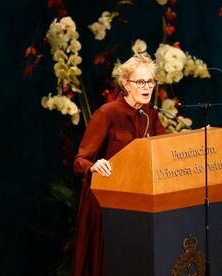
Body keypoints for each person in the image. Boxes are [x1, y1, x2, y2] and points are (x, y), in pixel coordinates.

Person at [72, 52, 166, 276]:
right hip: (106, 203)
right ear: (126, 84)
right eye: (140, 81)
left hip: (138, 203)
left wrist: (198, 140)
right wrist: (93, 166)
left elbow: (166, 150)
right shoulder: (107, 113)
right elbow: (79, 161)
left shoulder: (151, 115)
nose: (147, 87)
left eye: (150, 81)